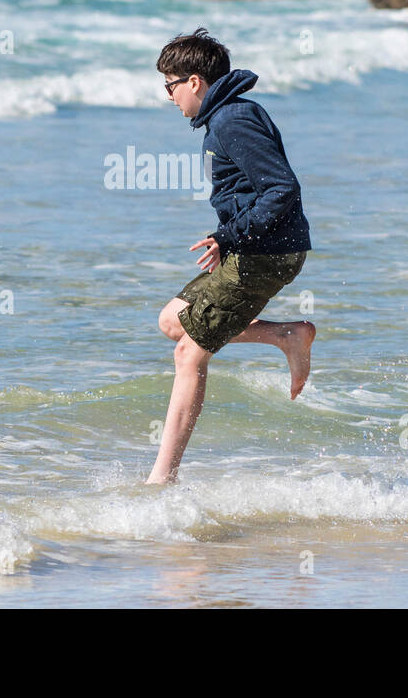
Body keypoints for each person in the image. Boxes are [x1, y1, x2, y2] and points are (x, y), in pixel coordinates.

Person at [147, 28, 315, 485]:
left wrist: (229, 235)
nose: (169, 96)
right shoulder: (230, 116)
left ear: (195, 81)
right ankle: (286, 336)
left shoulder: (232, 121)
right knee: (172, 321)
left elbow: (283, 188)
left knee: (189, 352)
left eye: (170, 85)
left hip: (264, 253)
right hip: (257, 248)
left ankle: (162, 480)